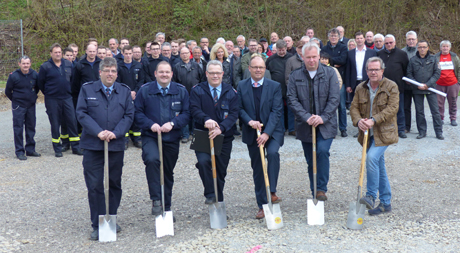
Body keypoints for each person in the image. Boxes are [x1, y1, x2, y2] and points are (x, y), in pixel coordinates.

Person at [76, 57, 134, 240]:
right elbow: (81, 113)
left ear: (117, 73)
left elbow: (129, 115)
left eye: (113, 71)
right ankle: (97, 223)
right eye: (107, 70)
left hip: (115, 145)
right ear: (100, 72)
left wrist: (116, 133)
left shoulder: (123, 91)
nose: (110, 74)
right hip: (93, 145)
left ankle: (111, 218)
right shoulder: (87, 89)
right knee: (94, 185)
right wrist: (99, 132)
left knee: (114, 183)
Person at [134, 61, 190, 218]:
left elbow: (187, 114)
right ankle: (156, 199)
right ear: (155, 74)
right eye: (161, 72)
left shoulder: (180, 91)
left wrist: (173, 123)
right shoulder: (145, 91)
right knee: (152, 161)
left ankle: (167, 206)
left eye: (167, 72)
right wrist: (150, 124)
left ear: (172, 74)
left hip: (171, 138)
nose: (164, 74)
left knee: (167, 172)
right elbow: (137, 113)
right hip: (151, 136)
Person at [287, 42, 340, 201]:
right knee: (311, 160)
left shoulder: (330, 73)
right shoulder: (295, 75)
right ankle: (314, 190)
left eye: (314, 57)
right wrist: (306, 117)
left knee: (322, 152)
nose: (311, 60)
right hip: (305, 125)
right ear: (302, 57)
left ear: (319, 57)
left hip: (326, 124)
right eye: (308, 57)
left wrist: (322, 117)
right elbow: (292, 99)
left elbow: (334, 98)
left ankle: (321, 189)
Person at [350, 56, 399, 215]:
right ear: (366, 71)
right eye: (370, 69)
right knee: (379, 166)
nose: (373, 72)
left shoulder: (391, 86)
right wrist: (358, 121)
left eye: (376, 69)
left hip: (384, 133)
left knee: (371, 158)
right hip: (367, 134)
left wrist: (373, 120)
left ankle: (370, 195)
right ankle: (385, 203)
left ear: (382, 71)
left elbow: (392, 109)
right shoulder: (360, 88)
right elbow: (354, 108)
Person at [238, 55, 284, 219]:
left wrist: (266, 133)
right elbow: (239, 108)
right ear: (249, 69)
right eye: (255, 67)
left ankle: (271, 190)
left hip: (272, 131)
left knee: (272, 154)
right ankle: (262, 204)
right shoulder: (242, 85)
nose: (258, 70)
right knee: (258, 168)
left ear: (265, 70)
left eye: (261, 67)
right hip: (252, 132)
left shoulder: (275, 86)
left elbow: (276, 111)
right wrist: (249, 121)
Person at [190, 60, 239, 204]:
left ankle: (219, 200)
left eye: (218, 73)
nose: (215, 76)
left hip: (224, 136)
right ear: (206, 74)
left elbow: (234, 114)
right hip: (202, 134)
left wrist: (221, 128)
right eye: (212, 73)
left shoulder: (231, 91)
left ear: (222, 74)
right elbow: (193, 109)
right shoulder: (197, 90)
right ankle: (211, 194)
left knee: (220, 170)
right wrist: (205, 119)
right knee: (204, 162)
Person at [37, 43, 82, 157]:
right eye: (55, 52)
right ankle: (57, 148)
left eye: (59, 52)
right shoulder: (45, 66)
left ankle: (75, 147)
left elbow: (72, 80)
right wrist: (49, 92)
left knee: (72, 121)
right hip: (52, 99)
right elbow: (40, 83)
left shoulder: (67, 64)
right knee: (55, 123)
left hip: (67, 98)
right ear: (51, 53)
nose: (58, 54)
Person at [5, 56, 41, 160]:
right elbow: (8, 91)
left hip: (30, 106)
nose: (26, 65)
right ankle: (20, 151)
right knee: (18, 128)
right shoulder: (14, 76)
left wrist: (32, 98)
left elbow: (37, 88)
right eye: (23, 63)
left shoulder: (35, 75)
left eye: (27, 63)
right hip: (18, 106)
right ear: (19, 64)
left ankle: (30, 150)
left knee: (31, 127)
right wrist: (16, 100)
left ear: (30, 64)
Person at [406, 40, 443, 140]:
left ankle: (439, 132)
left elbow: (437, 73)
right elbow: (409, 74)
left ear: (428, 48)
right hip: (417, 89)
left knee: (435, 111)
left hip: (431, 89)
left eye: (424, 47)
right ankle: (422, 131)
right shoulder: (413, 60)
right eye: (420, 47)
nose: (422, 49)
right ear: (417, 48)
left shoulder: (434, 59)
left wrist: (428, 84)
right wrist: (417, 85)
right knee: (419, 111)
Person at [377, 34, 409, 138]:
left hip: (397, 87)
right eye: (386, 43)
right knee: (383, 109)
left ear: (394, 42)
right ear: (384, 44)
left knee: (399, 109)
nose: (389, 44)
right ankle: (384, 128)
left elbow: (405, 70)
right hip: (383, 87)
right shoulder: (379, 54)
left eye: (391, 42)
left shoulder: (402, 54)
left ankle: (401, 129)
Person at [172, 47, 206, 143]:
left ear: (189, 54)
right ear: (180, 54)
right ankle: (185, 135)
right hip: (182, 94)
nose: (185, 55)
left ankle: (194, 134)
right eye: (182, 53)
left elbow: (202, 80)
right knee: (184, 115)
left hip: (195, 94)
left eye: (186, 53)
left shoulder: (196, 65)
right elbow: (174, 81)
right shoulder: (177, 66)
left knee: (195, 115)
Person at [116, 45, 144, 149]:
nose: (128, 56)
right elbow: (117, 82)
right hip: (123, 95)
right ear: (122, 54)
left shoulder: (138, 65)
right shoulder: (118, 66)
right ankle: (124, 140)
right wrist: (127, 92)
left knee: (136, 116)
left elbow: (142, 80)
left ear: (132, 54)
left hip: (136, 95)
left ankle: (137, 139)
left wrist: (135, 91)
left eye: (130, 53)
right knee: (124, 116)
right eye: (126, 53)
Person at [321, 28, 348, 137]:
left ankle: (343, 128)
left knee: (341, 106)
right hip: (325, 81)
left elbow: (343, 60)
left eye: (335, 36)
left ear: (338, 37)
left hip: (339, 80)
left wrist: (330, 61)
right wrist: (334, 62)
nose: (333, 38)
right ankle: (330, 128)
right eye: (331, 36)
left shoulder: (343, 47)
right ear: (328, 37)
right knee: (328, 106)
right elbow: (322, 60)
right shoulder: (324, 48)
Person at [345, 32, 377, 119]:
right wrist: (348, 85)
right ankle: (360, 128)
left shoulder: (372, 52)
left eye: (361, 38)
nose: (359, 40)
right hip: (354, 83)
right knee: (357, 106)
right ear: (355, 40)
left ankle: (369, 128)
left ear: (364, 39)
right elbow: (348, 69)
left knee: (369, 105)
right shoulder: (350, 53)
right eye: (357, 38)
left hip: (368, 81)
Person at [265, 40, 294, 135]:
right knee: (278, 109)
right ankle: (280, 128)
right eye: (279, 50)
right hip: (276, 88)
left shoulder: (291, 58)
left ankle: (292, 129)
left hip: (290, 87)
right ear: (276, 49)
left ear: (286, 48)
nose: (281, 52)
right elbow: (267, 72)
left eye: (283, 50)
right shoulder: (271, 59)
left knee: (291, 108)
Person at [435, 40, 460, 126]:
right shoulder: (436, 57)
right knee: (439, 103)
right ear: (440, 47)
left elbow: (459, 69)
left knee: (453, 102)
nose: (445, 48)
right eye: (443, 46)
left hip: (452, 83)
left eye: (447, 46)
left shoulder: (454, 57)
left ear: (450, 47)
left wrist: (458, 82)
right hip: (439, 84)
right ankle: (440, 118)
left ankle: (453, 118)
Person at [401, 31, 418, 132]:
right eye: (409, 39)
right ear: (406, 40)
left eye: (413, 39)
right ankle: (406, 127)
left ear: (416, 40)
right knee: (406, 107)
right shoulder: (402, 52)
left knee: (419, 108)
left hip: (417, 84)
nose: (411, 41)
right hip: (406, 84)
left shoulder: (420, 51)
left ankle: (421, 128)